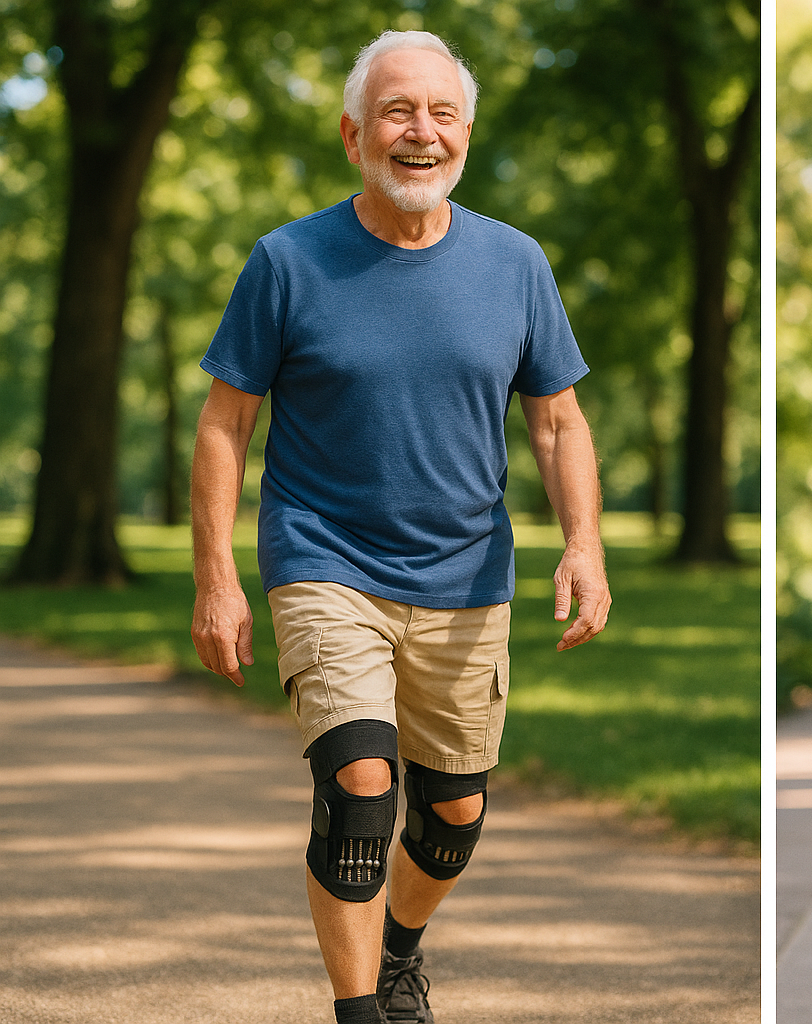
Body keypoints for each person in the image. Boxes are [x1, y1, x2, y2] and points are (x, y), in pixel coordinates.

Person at [189, 30, 611, 1024]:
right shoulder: (287, 262)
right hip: (325, 560)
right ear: (353, 134)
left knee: (453, 818)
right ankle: (360, 1012)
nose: (420, 133)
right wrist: (217, 575)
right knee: (361, 792)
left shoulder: (515, 264)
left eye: (441, 114)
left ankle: (401, 949)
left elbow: (558, 420)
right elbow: (224, 423)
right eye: (396, 112)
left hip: (467, 578)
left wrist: (584, 545)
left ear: (466, 133)